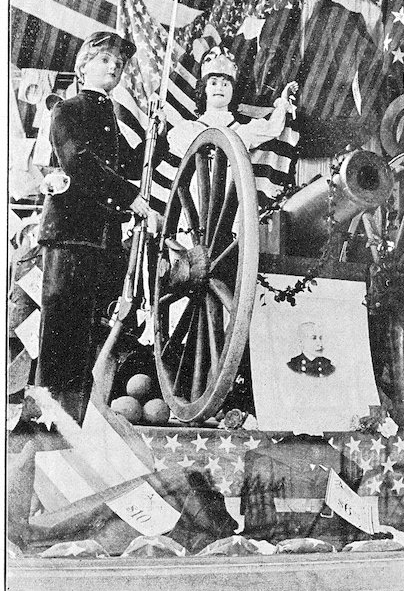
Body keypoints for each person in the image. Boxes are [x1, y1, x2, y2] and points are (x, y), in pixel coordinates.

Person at [36, 31, 167, 423]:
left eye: (119, 63)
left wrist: (156, 139)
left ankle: (73, 423)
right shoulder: (68, 109)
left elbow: (128, 165)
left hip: (99, 240)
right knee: (62, 335)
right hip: (70, 236)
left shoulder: (107, 117)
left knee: (85, 339)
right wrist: (132, 198)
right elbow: (79, 161)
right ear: (83, 66)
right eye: (105, 59)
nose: (114, 67)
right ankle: (50, 423)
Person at [167, 45, 298, 158]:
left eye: (225, 84)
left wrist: (283, 101)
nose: (219, 88)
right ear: (204, 89)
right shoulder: (187, 131)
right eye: (213, 83)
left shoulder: (242, 132)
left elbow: (273, 128)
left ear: (233, 91)